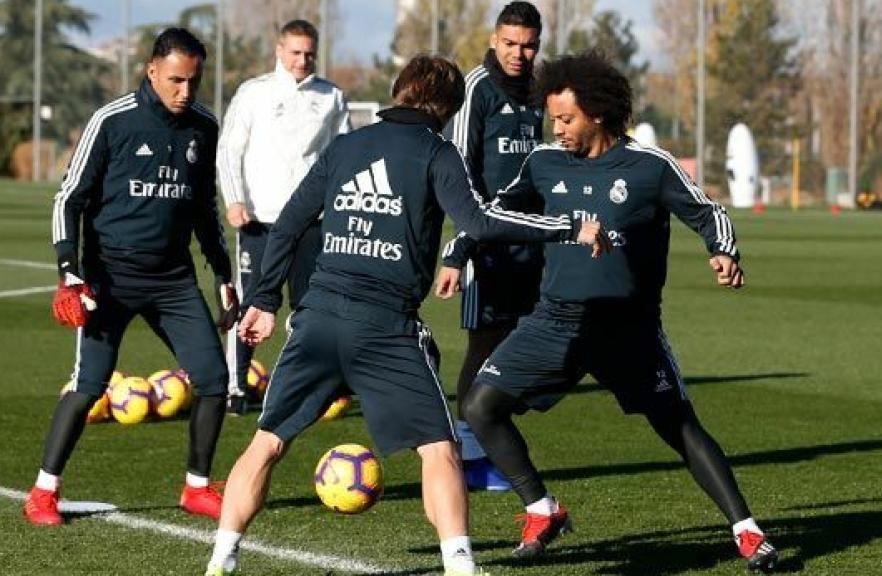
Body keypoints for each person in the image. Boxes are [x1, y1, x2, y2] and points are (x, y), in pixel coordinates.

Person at [203, 55, 609, 576]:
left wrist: (263, 299)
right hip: (386, 327)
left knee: (266, 443)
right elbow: (481, 222)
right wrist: (567, 227)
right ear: (445, 109)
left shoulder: (345, 146)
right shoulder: (438, 152)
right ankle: (461, 567)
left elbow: (287, 226)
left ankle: (220, 560)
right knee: (439, 449)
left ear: (398, 92)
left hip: (318, 317)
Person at [439, 53, 779, 573]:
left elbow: (708, 211)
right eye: (553, 118)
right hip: (554, 320)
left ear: (597, 114)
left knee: (679, 426)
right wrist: (457, 253)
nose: (557, 128)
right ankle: (541, 508)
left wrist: (723, 249)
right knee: (481, 406)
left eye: (566, 119)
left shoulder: (649, 167)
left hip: (628, 329)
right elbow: (492, 212)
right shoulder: (544, 163)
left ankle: (747, 531)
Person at [26, 28, 238, 526]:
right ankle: (42, 492)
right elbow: (69, 198)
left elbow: (204, 209)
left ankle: (197, 488)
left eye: (194, 81)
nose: (185, 91)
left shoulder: (204, 126)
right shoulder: (112, 120)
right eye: (175, 80)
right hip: (110, 279)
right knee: (89, 384)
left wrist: (223, 273)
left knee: (213, 379)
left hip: (174, 279)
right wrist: (68, 271)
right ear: (151, 71)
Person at [217, 19, 351, 416]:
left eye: (309, 53)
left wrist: (336, 207)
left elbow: (342, 158)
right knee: (250, 307)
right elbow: (229, 149)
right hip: (260, 221)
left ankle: (301, 387)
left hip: (311, 222)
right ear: (279, 50)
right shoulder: (254, 93)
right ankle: (235, 387)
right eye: (295, 52)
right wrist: (234, 198)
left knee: (310, 311)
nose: (302, 60)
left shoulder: (331, 97)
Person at [439, 1, 545, 493]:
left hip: (533, 242)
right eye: (510, 44)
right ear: (494, 39)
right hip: (487, 244)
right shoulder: (477, 89)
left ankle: (487, 435)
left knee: (522, 342)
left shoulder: (541, 92)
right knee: (485, 345)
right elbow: (460, 174)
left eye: (528, 45)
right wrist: (460, 249)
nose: (519, 54)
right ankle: (472, 450)